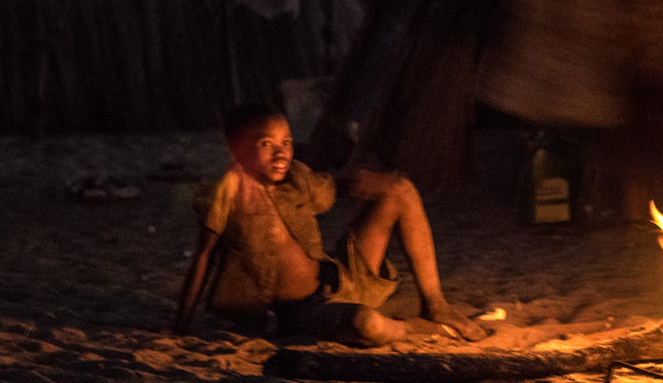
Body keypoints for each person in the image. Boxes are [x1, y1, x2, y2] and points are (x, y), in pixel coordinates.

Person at [173, 101, 485, 346]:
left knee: (400, 188)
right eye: (267, 144)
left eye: (287, 143)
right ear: (238, 148)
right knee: (365, 323)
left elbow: (329, 190)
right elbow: (203, 258)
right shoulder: (226, 194)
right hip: (307, 309)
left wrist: (358, 182)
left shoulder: (294, 178)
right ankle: (412, 330)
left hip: (343, 276)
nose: (281, 153)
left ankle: (435, 303)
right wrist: (180, 327)